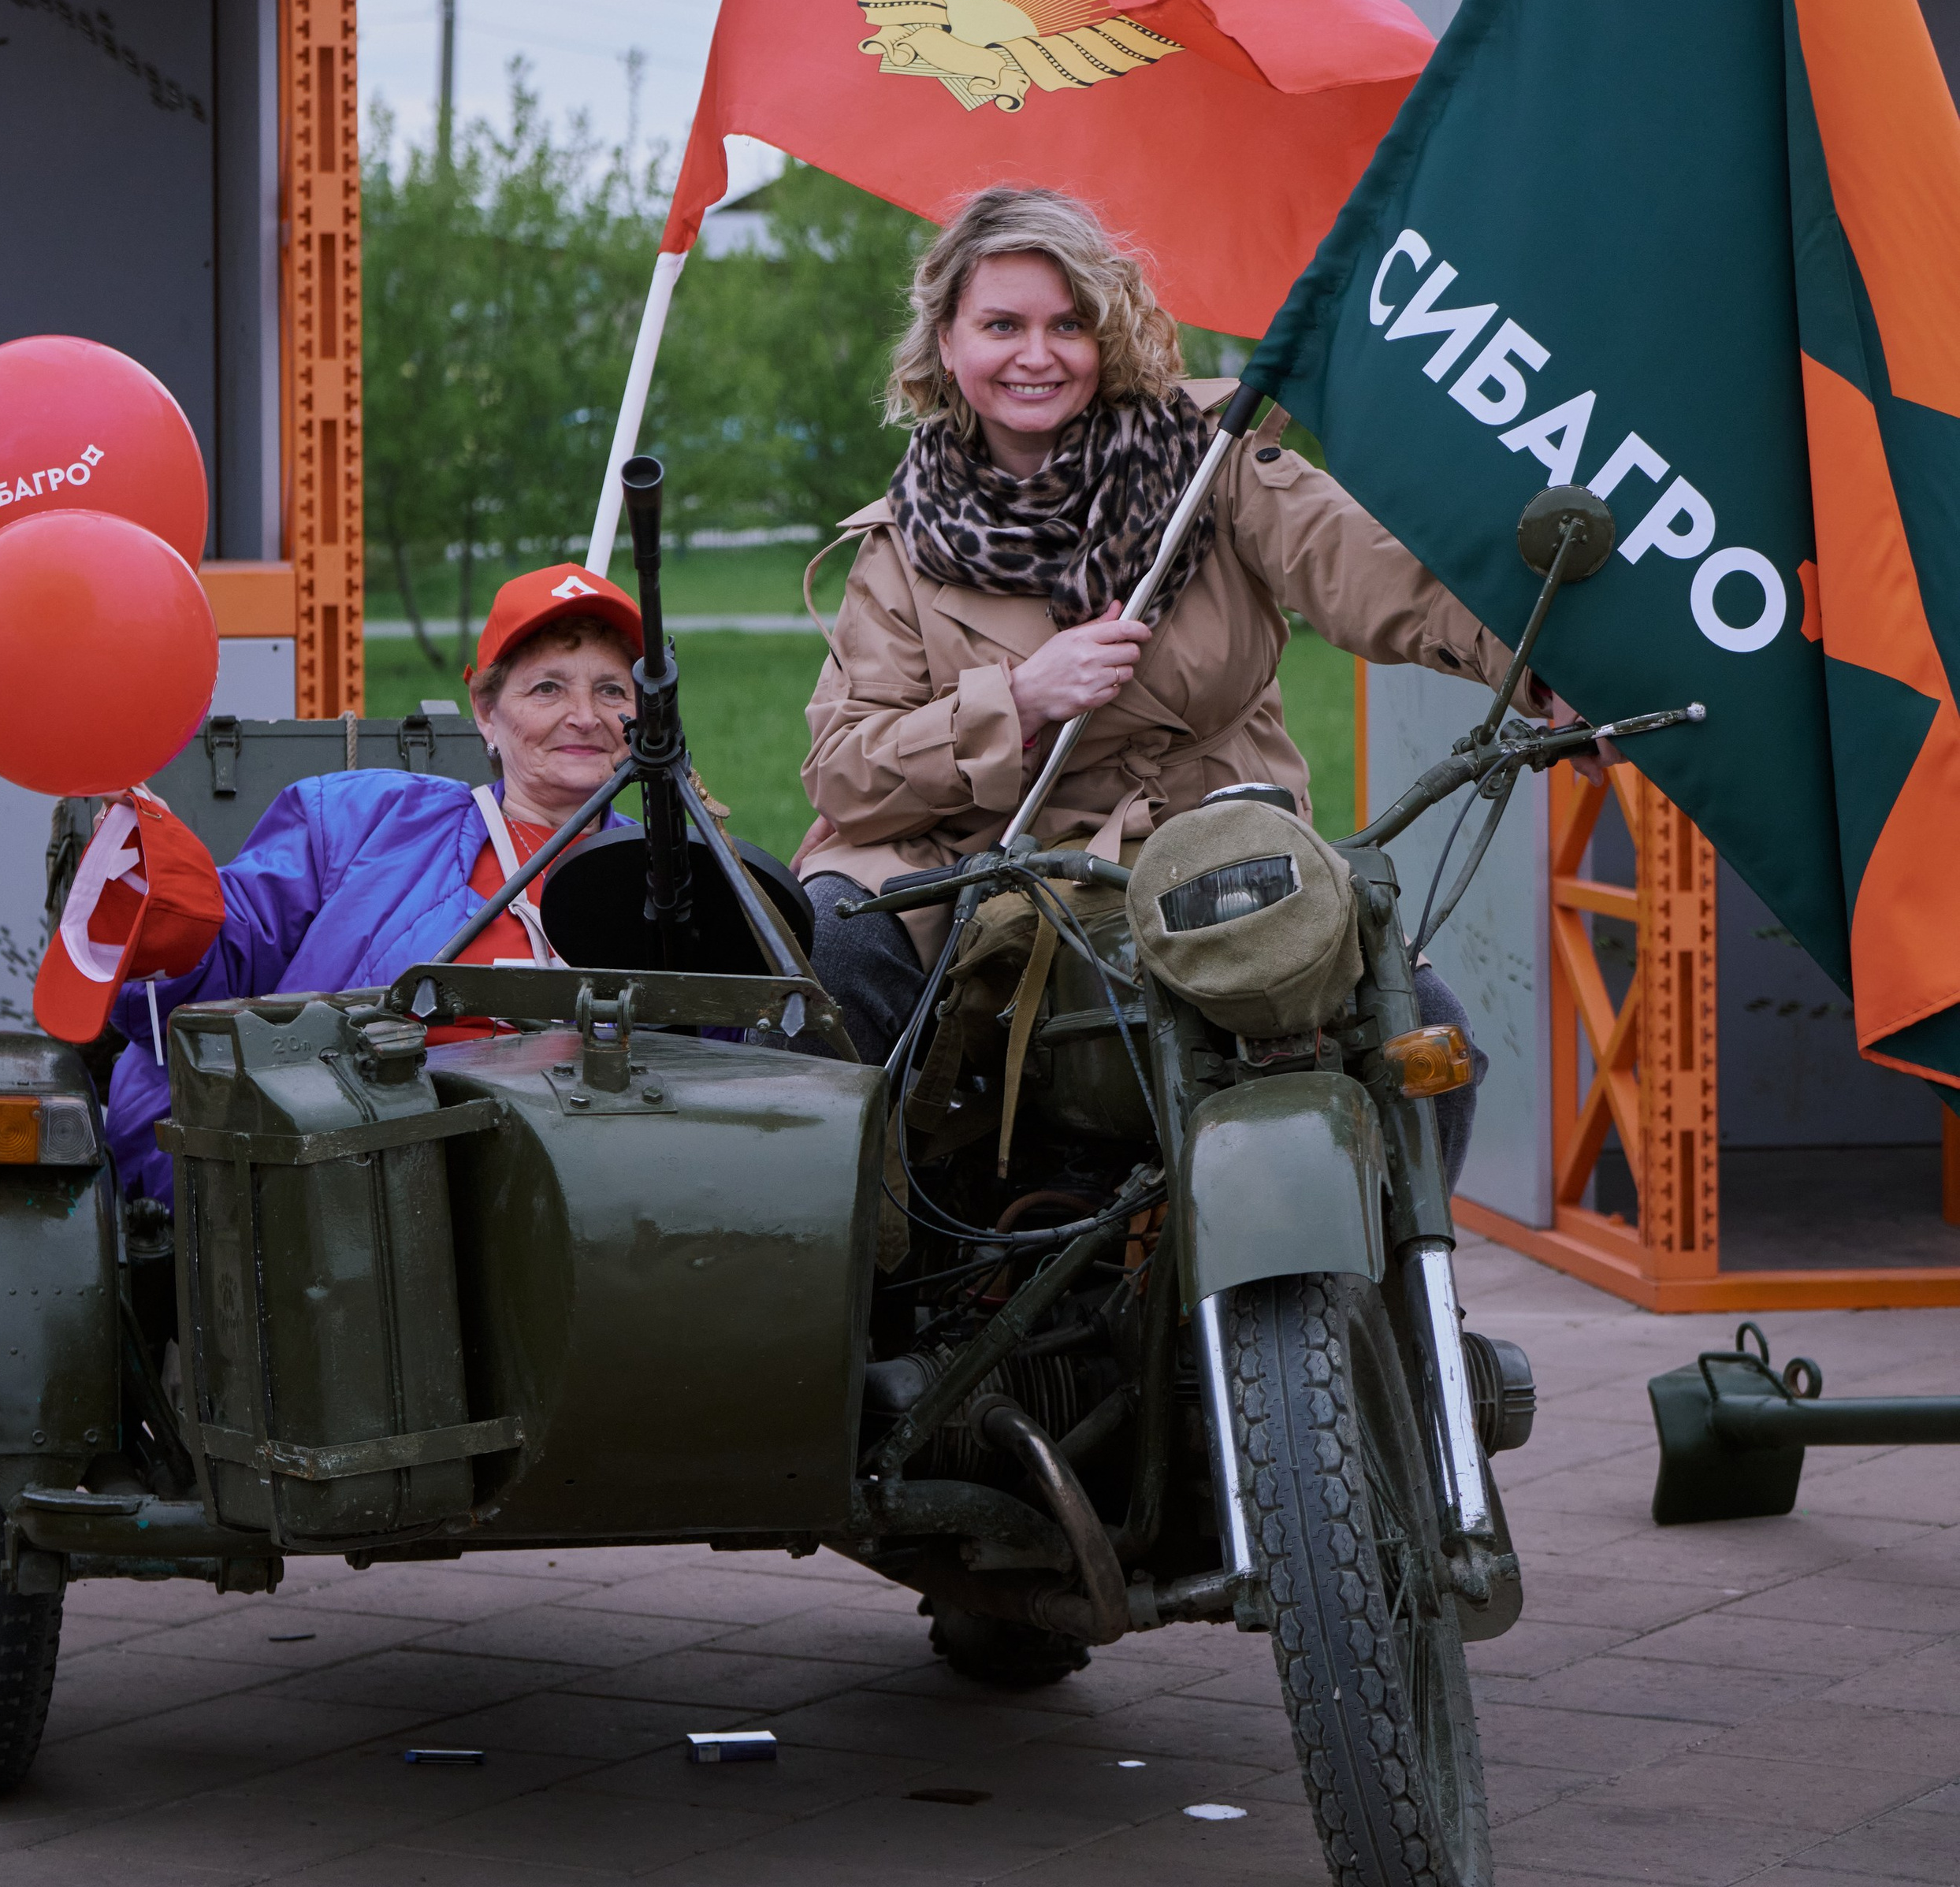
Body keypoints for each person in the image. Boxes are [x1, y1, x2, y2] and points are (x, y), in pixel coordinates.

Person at [797, 184, 1531, 1175]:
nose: (1036, 354)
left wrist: (1539, 665)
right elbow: (844, 770)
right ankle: (880, 1282)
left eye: (1068, 324)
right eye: (1001, 324)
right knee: (833, 966)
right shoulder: (899, 545)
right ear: (944, 343)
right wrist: (1016, 702)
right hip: (976, 859)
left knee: (1427, 1040)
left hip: (1207, 836)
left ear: (1107, 332)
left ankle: (1407, 1316)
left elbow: (1373, 575)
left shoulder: (1208, 459)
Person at [102, 563, 642, 1201]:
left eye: (612, 692)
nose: (585, 716)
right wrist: (161, 905)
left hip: (604, 1197)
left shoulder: (672, 874)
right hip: (361, 1189)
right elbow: (203, 976)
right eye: (548, 689)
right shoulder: (358, 823)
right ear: (487, 711)